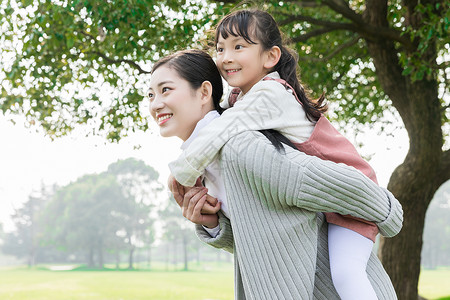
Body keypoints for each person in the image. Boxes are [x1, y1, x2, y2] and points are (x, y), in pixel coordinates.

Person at [167, 9, 394, 299]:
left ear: (270, 57)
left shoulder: (271, 94)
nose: (225, 57)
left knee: (347, 272)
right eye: (219, 48)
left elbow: (222, 129)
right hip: (324, 202)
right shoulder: (240, 98)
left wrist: (183, 171)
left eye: (239, 46)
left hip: (350, 198)